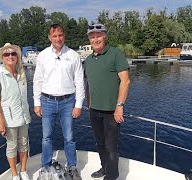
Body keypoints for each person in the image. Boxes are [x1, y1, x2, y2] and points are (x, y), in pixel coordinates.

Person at [33, 24, 85, 180]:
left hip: (67, 101)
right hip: (47, 100)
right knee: (46, 137)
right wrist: (37, 102)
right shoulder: (42, 56)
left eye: (60, 35)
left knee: (69, 137)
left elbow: (80, 82)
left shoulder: (73, 55)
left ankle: (72, 167)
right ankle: (45, 166)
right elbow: (37, 80)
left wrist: (79, 105)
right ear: (49, 37)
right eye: (54, 36)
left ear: (64, 36)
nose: (58, 38)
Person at [84, 23, 130, 180]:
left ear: (104, 36)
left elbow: (125, 81)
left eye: (98, 36)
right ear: (89, 39)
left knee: (111, 147)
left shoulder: (115, 54)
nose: (95, 39)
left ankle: (112, 175)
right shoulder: (88, 60)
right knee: (100, 144)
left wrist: (119, 107)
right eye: (92, 37)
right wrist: (89, 103)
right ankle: (104, 168)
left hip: (111, 111)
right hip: (94, 110)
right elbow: (88, 83)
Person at [0, 43, 31, 180]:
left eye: (13, 53)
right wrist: (1, 122)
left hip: (24, 117)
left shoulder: (21, 73)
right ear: (2, 58)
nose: (10, 56)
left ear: (17, 56)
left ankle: (24, 171)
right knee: (12, 147)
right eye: (6, 54)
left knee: (24, 144)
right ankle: (15, 174)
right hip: (9, 120)